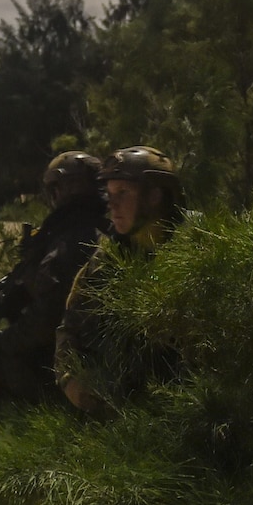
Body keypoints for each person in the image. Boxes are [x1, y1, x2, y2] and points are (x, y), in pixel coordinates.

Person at [0, 150, 108, 422]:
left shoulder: (71, 241)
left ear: (61, 190)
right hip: (95, 363)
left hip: (71, 371)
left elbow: (47, 320)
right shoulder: (107, 228)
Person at [56, 146, 184, 415]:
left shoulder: (198, 248)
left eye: (123, 193)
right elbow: (70, 328)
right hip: (120, 408)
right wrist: (70, 381)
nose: (112, 205)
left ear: (155, 196)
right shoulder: (107, 257)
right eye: (110, 194)